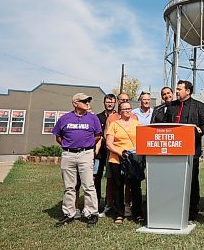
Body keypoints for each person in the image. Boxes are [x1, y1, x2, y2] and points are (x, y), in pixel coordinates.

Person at [163, 80, 204, 222]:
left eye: (179, 89)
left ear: (188, 91)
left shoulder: (199, 106)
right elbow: (166, 125)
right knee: (174, 181)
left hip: (191, 151)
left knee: (191, 182)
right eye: (176, 89)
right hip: (173, 151)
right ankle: (173, 208)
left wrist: (199, 131)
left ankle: (191, 213)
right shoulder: (171, 107)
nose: (176, 92)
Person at [53, 93, 101, 228]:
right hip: (68, 155)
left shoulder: (93, 118)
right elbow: (58, 137)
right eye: (84, 101)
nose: (87, 103)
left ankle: (92, 213)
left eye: (88, 101)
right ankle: (69, 214)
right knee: (69, 186)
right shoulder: (64, 118)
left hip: (86, 154)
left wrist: (87, 144)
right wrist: (68, 145)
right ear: (75, 103)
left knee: (88, 185)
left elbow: (98, 135)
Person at [106, 101, 144, 224]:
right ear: (120, 111)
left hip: (133, 160)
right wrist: (120, 152)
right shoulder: (114, 124)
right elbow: (109, 143)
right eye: (124, 109)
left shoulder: (138, 124)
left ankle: (137, 212)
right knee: (117, 186)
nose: (127, 111)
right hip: (117, 159)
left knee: (135, 187)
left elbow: (143, 141)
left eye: (129, 109)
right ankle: (119, 213)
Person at [95, 93, 116, 209]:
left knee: (112, 177)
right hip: (100, 152)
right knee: (96, 177)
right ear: (104, 103)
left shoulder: (118, 117)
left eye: (112, 101)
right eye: (108, 101)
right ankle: (96, 203)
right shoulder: (98, 117)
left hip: (113, 151)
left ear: (115, 103)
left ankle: (110, 203)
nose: (109, 104)